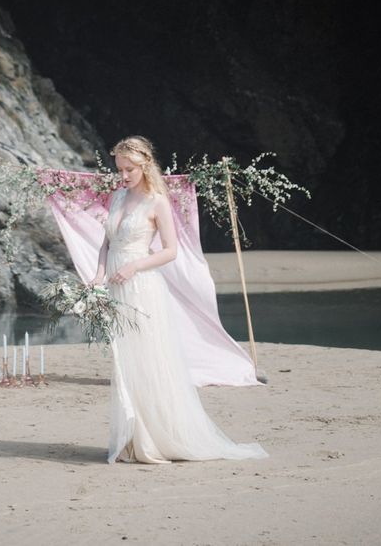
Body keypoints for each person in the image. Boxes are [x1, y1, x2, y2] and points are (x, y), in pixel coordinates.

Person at [90, 136, 268, 464]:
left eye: (129, 169)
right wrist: (98, 276)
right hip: (116, 288)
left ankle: (157, 439)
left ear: (145, 165)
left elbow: (170, 251)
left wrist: (134, 266)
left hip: (142, 287)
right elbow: (107, 242)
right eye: (120, 169)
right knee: (125, 363)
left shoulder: (157, 201)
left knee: (147, 362)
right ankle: (132, 438)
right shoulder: (117, 197)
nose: (124, 175)